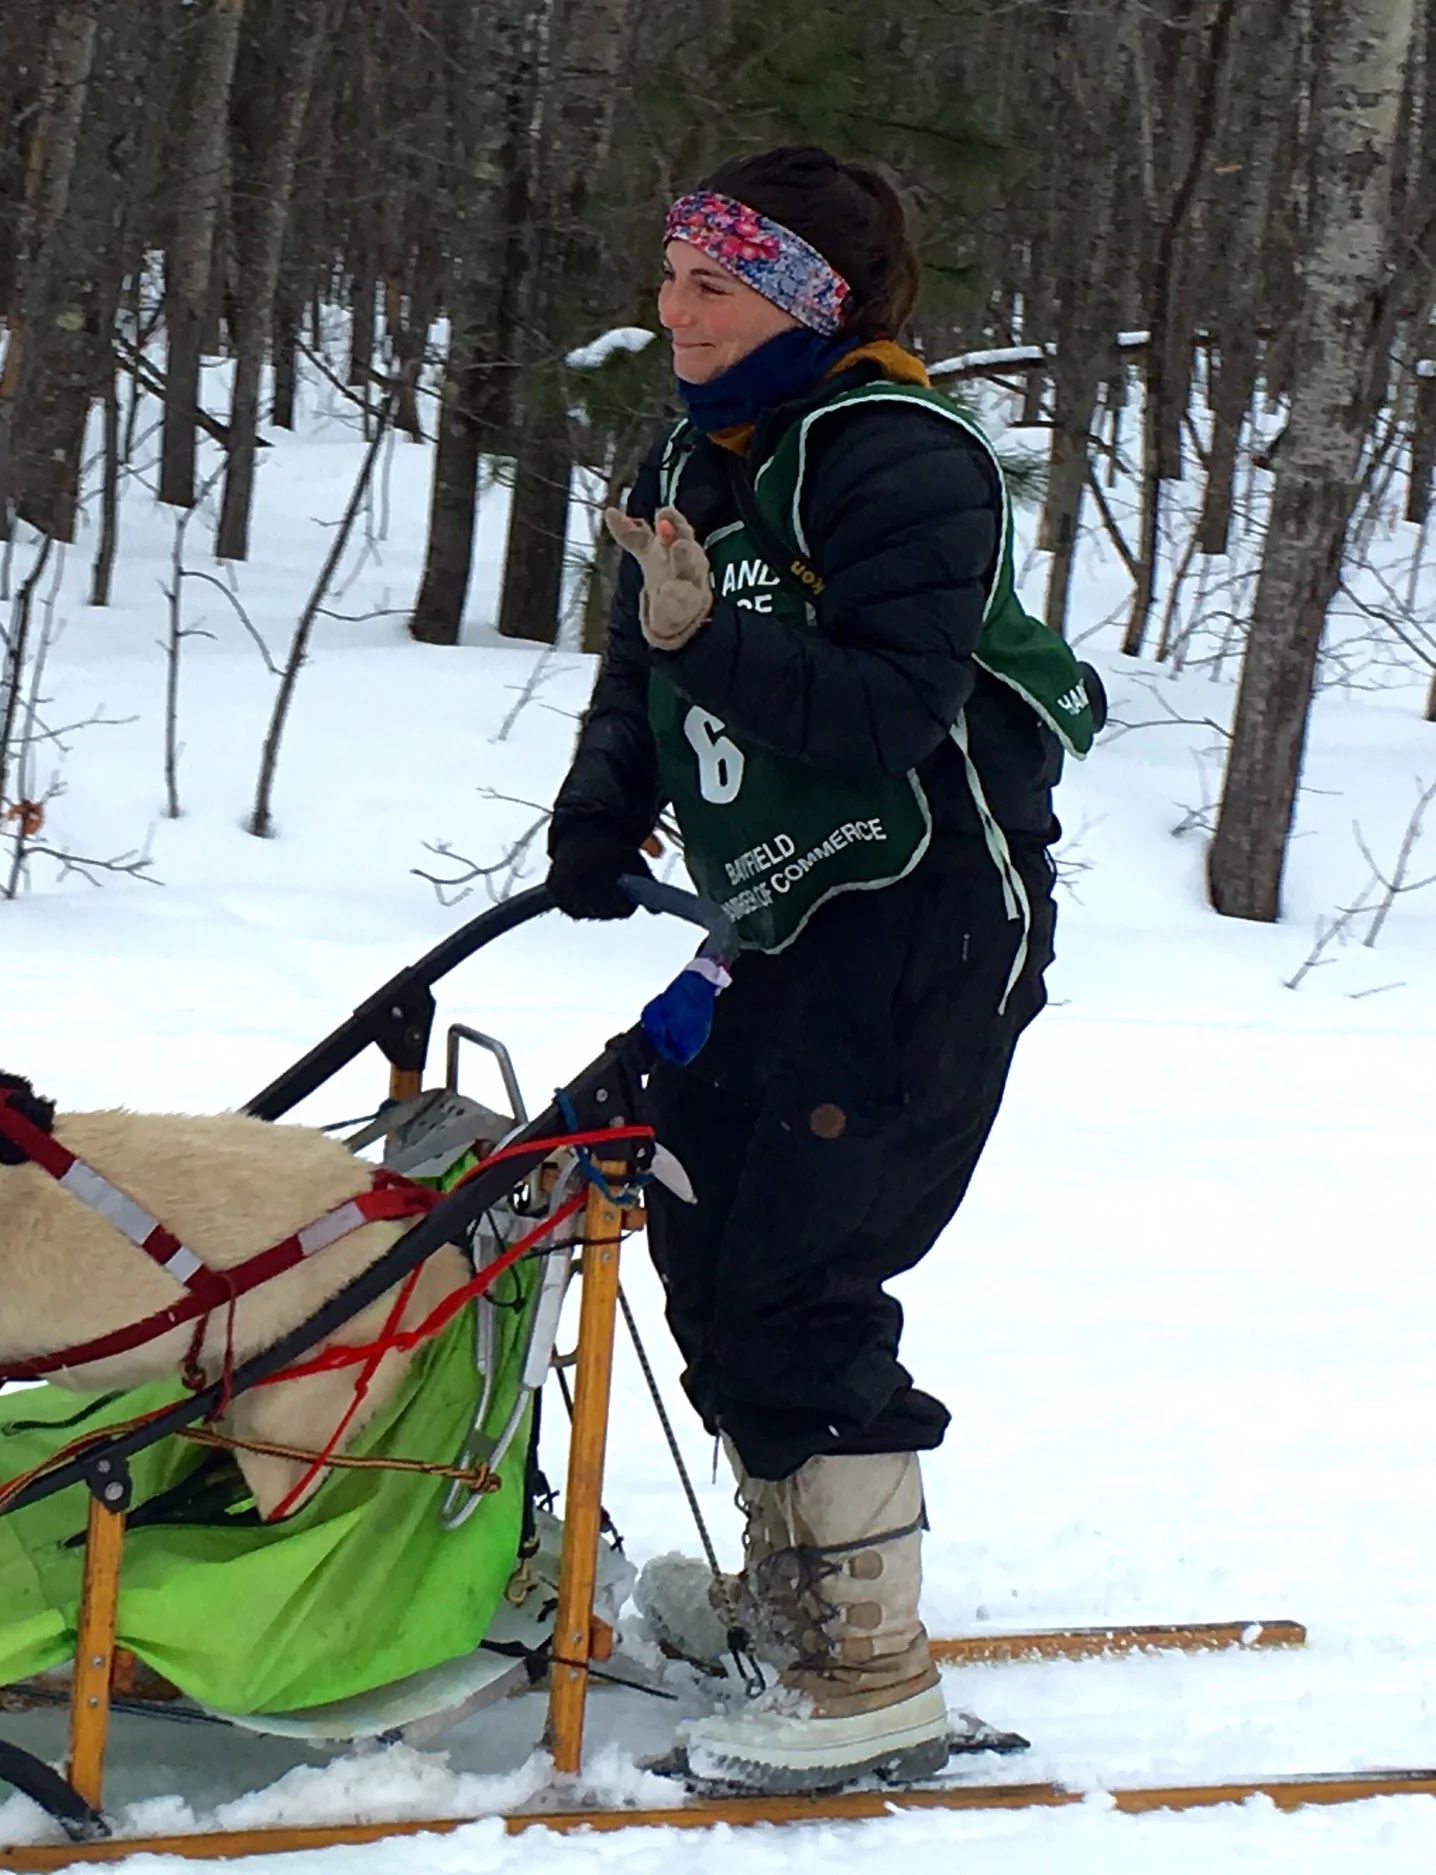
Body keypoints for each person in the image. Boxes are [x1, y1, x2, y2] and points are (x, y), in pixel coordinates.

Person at [545, 146, 1096, 1792]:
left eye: (716, 283)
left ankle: (868, 1676)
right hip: (776, 924)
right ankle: (802, 1602)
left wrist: (701, 636)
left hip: (925, 927)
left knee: (800, 1276)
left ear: (810, 301)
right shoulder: (692, 448)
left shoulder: (898, 452)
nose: (676, 309)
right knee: (707, 1246)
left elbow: (884, 715)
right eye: (671, 275)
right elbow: (640, 673)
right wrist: (598, 817)